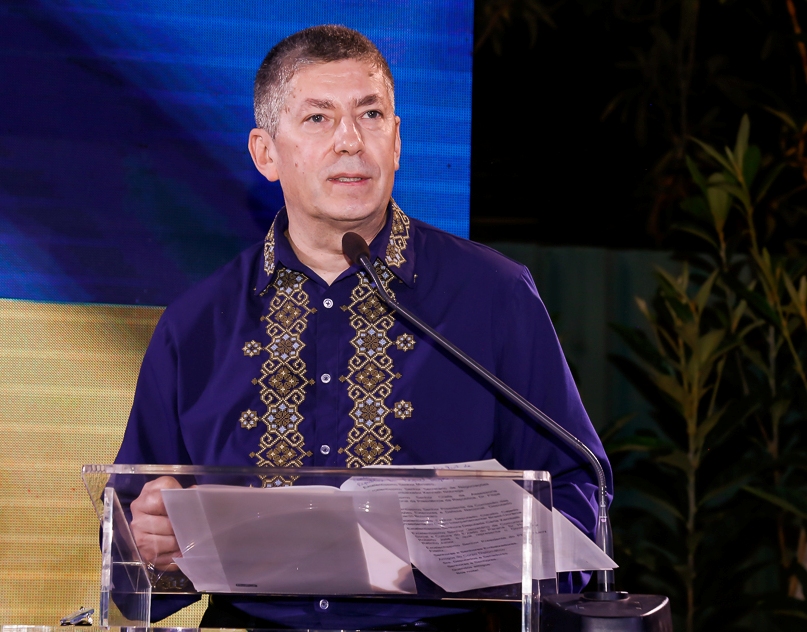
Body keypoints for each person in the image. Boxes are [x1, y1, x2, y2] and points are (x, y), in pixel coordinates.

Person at [117, 24, 612, 630]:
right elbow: (131, 559)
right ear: (266, 153)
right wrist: (151, 547)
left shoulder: (492, 295)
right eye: (318, 118)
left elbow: (579, 491)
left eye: (370, 115)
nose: (350, 141)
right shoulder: (195, 325)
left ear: (396, 141)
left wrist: (482, 544)